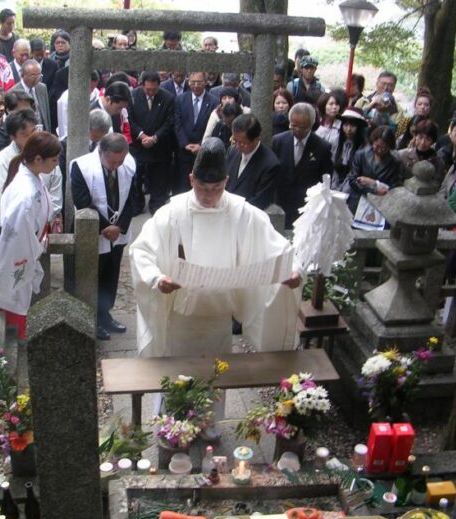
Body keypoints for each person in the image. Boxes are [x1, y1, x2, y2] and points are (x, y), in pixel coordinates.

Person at [129, 136, 302, 373]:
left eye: (217, 189)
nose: (209, 196)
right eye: (202, 188)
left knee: (215, 380)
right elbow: (141, 250)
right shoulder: (172, 213)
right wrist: (156, 278)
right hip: (180, 320)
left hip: (220, 318)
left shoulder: (241, 212)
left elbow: (278, 247)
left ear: (226, 182)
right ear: (191, 179)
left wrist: (293, 270)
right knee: (177, 384)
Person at [0, 131, 61, 340]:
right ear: (38, 159)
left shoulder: (31, 178)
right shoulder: (25, 194)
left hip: (21, 245)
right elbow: (18, 238)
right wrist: (37, 247)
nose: (56, 163)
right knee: (8, 305)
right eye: (54, 159)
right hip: (13, 255)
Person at [71, 133, 135, 341]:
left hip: (118, 231)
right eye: (111, 161)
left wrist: (121, 227)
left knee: (111, 273)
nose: (116, 165)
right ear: (101, 153)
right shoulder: (81, 166)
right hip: (94, 231)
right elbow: (82, 201)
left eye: (120, 161)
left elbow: (133, 198)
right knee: (93, 274)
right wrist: (106, 227)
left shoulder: (129, 165)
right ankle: (91, 317)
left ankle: (105, 314)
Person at [0, 110, 62, 227]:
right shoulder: (4, 160)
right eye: (25, 134)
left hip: (44, 224)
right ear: (13, 137)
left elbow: (55, 198)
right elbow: (4, 198)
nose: (32, 137)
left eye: (34, 131)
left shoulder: (48, 153)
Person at [272, 102, 333, 227]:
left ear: (311, 125)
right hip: (281, 203)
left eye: (303, 127)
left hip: (306, 207)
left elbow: (326, 179)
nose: (298, 130)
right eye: (294, 126)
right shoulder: (278, 141)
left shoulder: (322, 147)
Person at [128, 71, 176, 216]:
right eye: (148, 89)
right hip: (138, 144)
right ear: (142, 85)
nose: (150, 92)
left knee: (159, 178)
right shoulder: (133, 96)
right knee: (136, 177)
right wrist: (141, 135)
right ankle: (137, 205)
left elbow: (169, 122)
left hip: (159, 145)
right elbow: (129, 119)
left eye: (154, 89)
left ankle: (156, 204)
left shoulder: (168, 98)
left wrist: (154, 138)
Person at [174, 72, 219, 194]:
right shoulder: (180, 99)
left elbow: (214, 127)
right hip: (184, 150)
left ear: (205, 82)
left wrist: (201, 145)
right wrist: (185, 143)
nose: (196, 85)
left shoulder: (214, 101)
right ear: (188, 82)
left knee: (201, 183)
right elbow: (177, 124)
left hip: (203, 150)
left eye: (199, 82)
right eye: (193, 82)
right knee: (182, 185)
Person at [226, 113, 280, 211]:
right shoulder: (232, 151)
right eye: (235, 141)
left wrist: (233, 210)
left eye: (243, 143)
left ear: (256, 139)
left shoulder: (270, 164)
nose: (237, 146)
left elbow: (260, 200)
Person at [346, 125, 403, 214]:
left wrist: (373, 183)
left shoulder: (394, 162)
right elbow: (353, 179)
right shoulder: (361, 155)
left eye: (384, 148)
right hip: (359, 199)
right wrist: (373, 190)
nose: (380, 150)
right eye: (377, 146)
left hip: (381, 203)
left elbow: (394, 187)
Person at [9, 59, 52, 132]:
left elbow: (46, 114)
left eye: (39, 76)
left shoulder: (42, 88)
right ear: (23, 75)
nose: (37, 79)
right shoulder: (13, 92)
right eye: (33, 76)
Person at [397, 118, 445, 183]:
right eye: (420, 137)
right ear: (415, 136)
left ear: (433, 142)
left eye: (428, 139)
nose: (422, 143)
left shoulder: (438, 162)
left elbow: (437, 182)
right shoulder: (402, 155)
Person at [332, 107, 368, 190]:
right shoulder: (335, 142)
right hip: (334, 184)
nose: (348, 129)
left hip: (353, 187)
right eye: (346, 125)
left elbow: (357, 173)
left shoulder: (364, 148)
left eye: (352, 125)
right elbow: (332, 166)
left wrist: (344, 189)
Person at [315, 90, 347, 160]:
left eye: (337, 104)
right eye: (331, 104)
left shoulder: (342, 125)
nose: (335, 107)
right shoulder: (316, 124)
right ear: (323, 105)